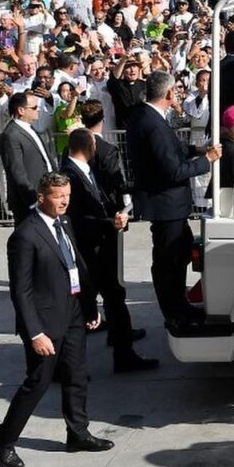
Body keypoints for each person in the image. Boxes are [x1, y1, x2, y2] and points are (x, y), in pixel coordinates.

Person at [0, 171, 113, 467]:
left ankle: (77, 433)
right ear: (41, 197)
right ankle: (2, 440)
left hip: (72, 313)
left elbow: (76, 266)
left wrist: (89, 307)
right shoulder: (25, 235)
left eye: (67, 195)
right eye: (58, 196)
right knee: (38, 383)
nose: (65, 201)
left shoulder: (64, 223)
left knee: (77, 375)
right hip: (44, 323)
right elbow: (21, 290)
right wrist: (34, 333)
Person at [60, 128, 158, 374]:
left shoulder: (84, 170)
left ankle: (122, 350)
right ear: (90, 147)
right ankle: (67, 364)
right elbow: (77, 220)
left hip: (100, 248)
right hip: (89, 251)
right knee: (87, 305)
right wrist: (109, 223)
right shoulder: (70, 175)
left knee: (114, 298)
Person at [127, 71, 220, 326]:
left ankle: (180, 305)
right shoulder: (151, 122)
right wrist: (206, 161)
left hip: (169, 205)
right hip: (166, 204)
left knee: (180, 256)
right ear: (168, 93)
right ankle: (175, 312)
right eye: (176, 91)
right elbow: (173, 170)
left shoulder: (145, 116)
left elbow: (171, 151)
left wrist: (198, 150)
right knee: (169, 263)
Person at [0, 90, 55, 224]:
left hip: (44, 195)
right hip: (29, 201)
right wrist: (33, 200)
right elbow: (17, 172)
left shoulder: (29, 128)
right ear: (21, 110)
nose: (39, 110)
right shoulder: (11, 135)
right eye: (34, 107)